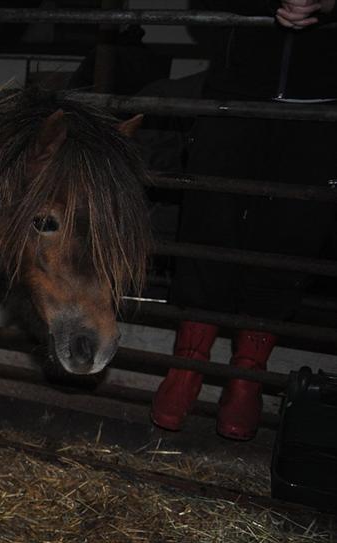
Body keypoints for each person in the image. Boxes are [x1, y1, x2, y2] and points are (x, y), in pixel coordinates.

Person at [150, 0, 337, 440]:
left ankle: (247, 376)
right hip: (234, 89)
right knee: (208, 215)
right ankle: (188, 366)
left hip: (321, 98)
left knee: (292, 230)